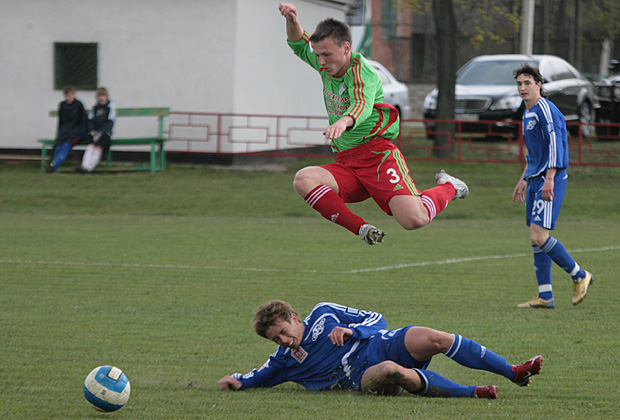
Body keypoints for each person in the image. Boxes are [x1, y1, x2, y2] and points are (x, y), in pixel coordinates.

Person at [278, 4, 468, 245]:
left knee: (414, 220)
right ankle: (362, 229)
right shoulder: (325, 65)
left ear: (346, 48)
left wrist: (345, 120)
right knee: (303, 179)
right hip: (347, 162)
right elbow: (298, 43)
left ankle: (450, 186)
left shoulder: (362, 72)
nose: (321, 61)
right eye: (318, 55)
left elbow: (362, 103)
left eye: (327, 55)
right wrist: (292, 20)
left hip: (377, 157)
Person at [218, 300, 543, 399]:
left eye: (283, 333)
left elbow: (376, 318)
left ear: (293, 317)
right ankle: (473, 392)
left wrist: (353, 331)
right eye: (276, 340)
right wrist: (237, 381)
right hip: (363, 375)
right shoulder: (285, 360)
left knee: (436, 338)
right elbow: (258, 377)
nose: (284, 341)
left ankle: (513, 372)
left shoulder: (324, 313)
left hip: (380, 342)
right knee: (391, 372)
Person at [512, 64, 593, 308]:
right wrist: (523, 179)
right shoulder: (527, 112)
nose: (523, 88)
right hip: (536, 178)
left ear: (539, 85)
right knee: (535, 238)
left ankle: (580, 275)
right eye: (519, 83)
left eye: (527, 83)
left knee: (539, 236)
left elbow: (557, 145)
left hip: (550, 179)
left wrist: (549, 178)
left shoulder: (545, 109)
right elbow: (535, 152)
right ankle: (545, 296)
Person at [46, 86, 88, 173]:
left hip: (75, 133)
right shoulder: (62, 105)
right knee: (58, 148)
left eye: (69, 96)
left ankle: (53, 164)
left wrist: (81, 133)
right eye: (66, 96)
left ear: (74, 95)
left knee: (66, 147)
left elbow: (84, 120)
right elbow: (61, 122)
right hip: (64, 132)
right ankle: (54, 168)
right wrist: (58, 134)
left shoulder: (79, 105)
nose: (67, 98)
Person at [77, 87, 116, 173]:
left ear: (106, 96)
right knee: (90, 146)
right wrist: (92, 131)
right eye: (99, 96)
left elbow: (109, 123)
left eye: (103, 96)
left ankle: (89, 168)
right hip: (94, 132)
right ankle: (84, 165)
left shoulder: (110, 107)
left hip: (105, 133)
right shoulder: (95, 107)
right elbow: (90, 121)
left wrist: (100, 133)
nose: (101, 98)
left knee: (98, 147)